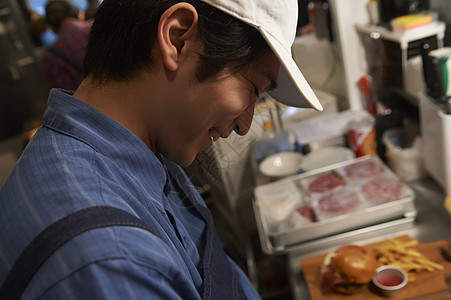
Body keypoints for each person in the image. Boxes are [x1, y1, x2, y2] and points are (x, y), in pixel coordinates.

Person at [0, 0, 322, 299]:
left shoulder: (138, 150)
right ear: (178, 39)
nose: (244, 124)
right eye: (252, 88)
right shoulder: (109, 259)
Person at [41, 0, 92, 90]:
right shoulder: (97, 26)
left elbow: (68, 95)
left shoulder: (50, 58)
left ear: (51, 27)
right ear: (80, 14)